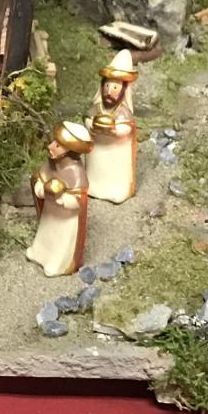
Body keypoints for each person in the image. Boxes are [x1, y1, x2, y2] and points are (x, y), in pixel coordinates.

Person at [25, 121, 93, 277]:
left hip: (65, 219)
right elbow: (39, 180)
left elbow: (78, 200)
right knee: (46, 233)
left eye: (57, 145)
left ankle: (57, 264)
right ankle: (39, 254)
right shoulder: (50, 164)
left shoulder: (75, 173)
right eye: (54, 142)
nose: (50, 146)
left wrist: (61, 197)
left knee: (60, 240)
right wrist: (43, 189)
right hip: (50, 212)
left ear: (69, 150)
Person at [85, 49, 139, 204]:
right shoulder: (97, 107)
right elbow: (87, 119)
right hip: (98, 150)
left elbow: (126, 128)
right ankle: (93, 186)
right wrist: (92, 126)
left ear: (123, 90)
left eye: (115, 88)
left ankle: (116, 191)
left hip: (116, 152)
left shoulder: (123, 112)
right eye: (107, 86)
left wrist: (114, 131)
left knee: (114, 172)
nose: (109, 92)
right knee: (96, 169)